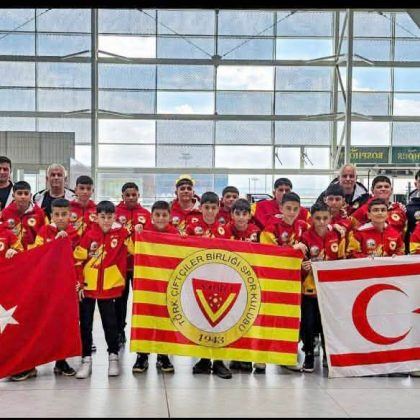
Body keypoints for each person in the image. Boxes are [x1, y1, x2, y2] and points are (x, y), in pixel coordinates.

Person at [73, 201, 138, 379]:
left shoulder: (122, 233)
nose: (106, 221)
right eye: (103, 217)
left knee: (110, 323)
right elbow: (77, 259)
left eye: (110, 217)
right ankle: (86, 359)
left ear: (115, 217)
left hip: (109, 287)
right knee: (85, 324)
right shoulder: (89, 234)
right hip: (88, 287)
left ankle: (113, 357)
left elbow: (136, 250)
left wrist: (138, 233)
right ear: (97, 217)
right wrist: (80, 283)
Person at [185, 191, 232, 380]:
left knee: (220, 321)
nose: (210, 211)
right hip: (198, 280)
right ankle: (204, 359)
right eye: (207, 207)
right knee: (202, 320)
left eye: (213, 208)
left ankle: (219, 361)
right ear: (201, 208)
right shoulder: (192, 227)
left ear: (219, 208)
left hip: (219, 280)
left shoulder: (224, 230)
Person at [32, 198, 79, 377]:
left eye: (64, 214)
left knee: (63, 323)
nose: (60, 218)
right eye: (57, 214)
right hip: (46, 285)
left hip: (66, 285)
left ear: (70, 215)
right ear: (51, 215)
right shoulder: (44, 231)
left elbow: (79, 258)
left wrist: (66, 241)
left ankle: (61, 361)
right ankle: (34, 361)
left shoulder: (75, 233)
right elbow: (36, 254)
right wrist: (54, 244)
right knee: (43, 322)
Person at [132, 200, 177, 374]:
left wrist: (183, 240)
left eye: (164, 215)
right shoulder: (144, 231)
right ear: (151, 216)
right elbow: (132, 249)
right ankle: (142, 355)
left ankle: (163, 355)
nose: (160, 218)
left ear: (170, 217)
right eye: (157, 215)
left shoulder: (175, 233)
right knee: (144, 318)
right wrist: (136, 233)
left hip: (167, 285)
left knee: (166, 319)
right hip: (147, 285)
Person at [300, 202, 346, 373]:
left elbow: (343, 260)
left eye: (325, 218)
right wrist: (304, 268)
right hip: (310, 290)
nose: (321, 222)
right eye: (317, 218)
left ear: (330, 218)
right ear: (311, 218)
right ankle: (309, 355)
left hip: (330, 291)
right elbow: (299, 263)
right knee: (308, 324)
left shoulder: (338, 235)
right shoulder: (305, 237)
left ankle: (329, 355)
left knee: (329, 324)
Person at [225, 198, 265, 374]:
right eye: (237, 213)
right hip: (230, 281)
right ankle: (235, 355)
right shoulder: (224, 230)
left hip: (250, 283)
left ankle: (247, 356)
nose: (241, 217)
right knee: (232, 319)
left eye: (244, 214)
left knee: (248, 320)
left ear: (249, 216)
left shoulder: (257, 233)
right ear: (232, 215)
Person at [115, 182, 151, 348]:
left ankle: (144, 331)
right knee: (120, 301)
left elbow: (152, 237)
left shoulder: (146, 214)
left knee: (142, 300)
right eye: (127, 195)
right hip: (120, 266)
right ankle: (119, 331)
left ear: (138, 195)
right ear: (122, 196)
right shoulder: (115, 213)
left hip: (140, 266)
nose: (130, 197)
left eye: (133, 195)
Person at [1, 181, 47, 250]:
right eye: (19, 193)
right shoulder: (5, 213)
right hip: (11, 253)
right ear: (13, 196)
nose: (23, 196)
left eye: (26, 193)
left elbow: (46, 234)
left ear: (30, 196)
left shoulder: (40, 213)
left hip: (33, 253)